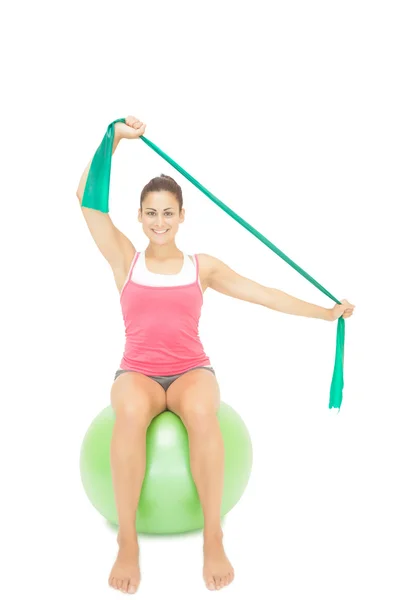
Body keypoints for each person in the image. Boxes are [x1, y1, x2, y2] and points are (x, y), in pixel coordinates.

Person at [76, 115, 355, 594]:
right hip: (138, 371)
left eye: (168, 212)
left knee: (204, 412)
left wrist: (324, 314)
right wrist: (113, 139)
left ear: (182, 216)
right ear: (139, 217)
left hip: (189, 371)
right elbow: (87, 202)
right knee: (128, 413)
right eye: (151, 212)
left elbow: (263, 293)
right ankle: (127, 541)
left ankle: (213, 536)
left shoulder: (202, 267)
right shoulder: (127, 259)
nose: (159, 221)